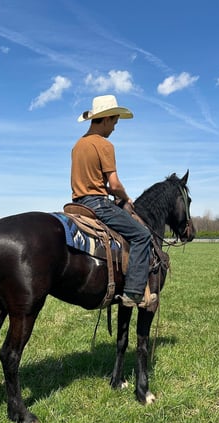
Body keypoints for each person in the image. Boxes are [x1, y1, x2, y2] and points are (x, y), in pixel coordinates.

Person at [71, 95, 156, 308]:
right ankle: (133, 293)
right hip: (97, 204)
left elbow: (89, 181)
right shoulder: (104, 144)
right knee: (141, 235)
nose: (115, 128)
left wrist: (105, 189)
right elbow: (115, 183)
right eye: (115, 122)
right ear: (106, 118)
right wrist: (125, 197)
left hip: (78, 203)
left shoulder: (78, 145)